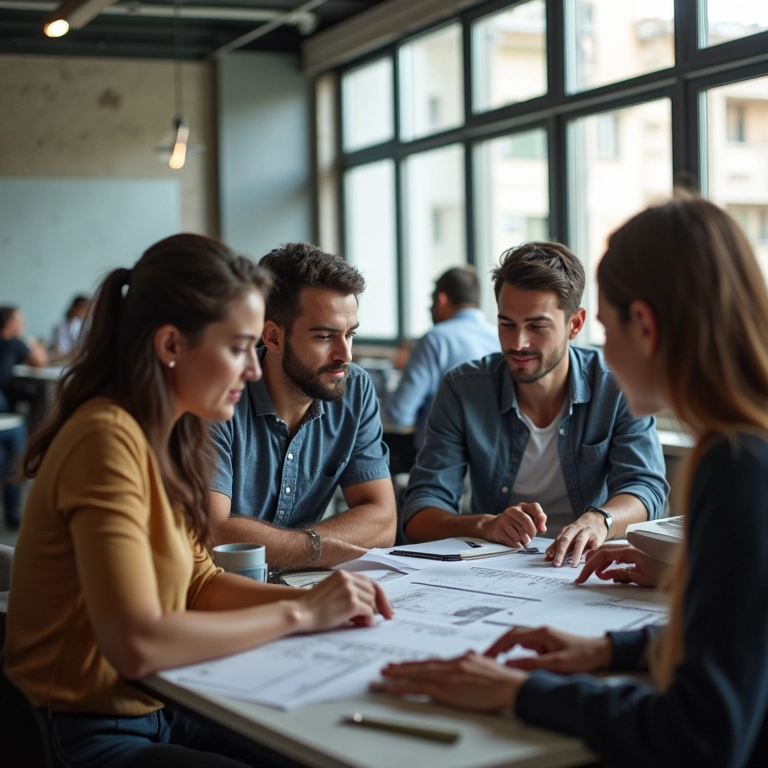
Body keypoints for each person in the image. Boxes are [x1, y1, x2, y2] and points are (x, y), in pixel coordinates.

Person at [378, 195, 768, 767]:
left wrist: (518, 691)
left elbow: (703, 733)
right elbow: (739, 645)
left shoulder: (737, 467)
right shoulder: (743, 445)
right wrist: (610, 649)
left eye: (606, 329)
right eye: (507, 326)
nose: (604, 352)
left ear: (646, 327)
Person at [3, 234, 392, 768]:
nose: (254, 369)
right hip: (79, 726)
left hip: (160, 703)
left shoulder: (171, 434)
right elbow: (136, 643)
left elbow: (201, 582)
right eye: (238, 348)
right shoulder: (107, 438)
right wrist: (299, 614)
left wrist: (329, 604)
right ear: (170, 347)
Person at [401, 241, 668, 566]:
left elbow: (646, 486)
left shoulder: (615, 386)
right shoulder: (463, 388)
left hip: (588, 564)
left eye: (537, 326)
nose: (518, 343)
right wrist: (484, 524)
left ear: (575, 324)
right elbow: (419, 512)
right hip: (494, 566)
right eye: (506, 324)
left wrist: (600, 520)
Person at [209, 242, 396, 570]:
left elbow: (382, 522)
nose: (345, 355)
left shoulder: (355, 389)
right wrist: (316, 548)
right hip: (219, 593)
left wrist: (294, 548)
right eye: (325, 337)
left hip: (302, 587)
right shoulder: (220, 392)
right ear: (273, 337)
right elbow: (213, 531)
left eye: (349, 334)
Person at [382, 266, 500, 450]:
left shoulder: (435, 339)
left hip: (441, 462)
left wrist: (401, 374)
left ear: (441, 300)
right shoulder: (500, 337)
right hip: (493, 457)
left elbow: (398, 414)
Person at [0, 305, 48, 410]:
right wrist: (32, 341)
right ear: (10, 324)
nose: (23, 324)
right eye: (20, 321)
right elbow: (40, 362)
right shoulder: (13, 342)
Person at [50, 294, 90, 360]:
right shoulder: (60, 326)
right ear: (73, 307)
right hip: (62, 359)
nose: (84, 311)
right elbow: (59, 349)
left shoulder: (87, 327)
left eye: (86, 308)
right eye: (82, 307)